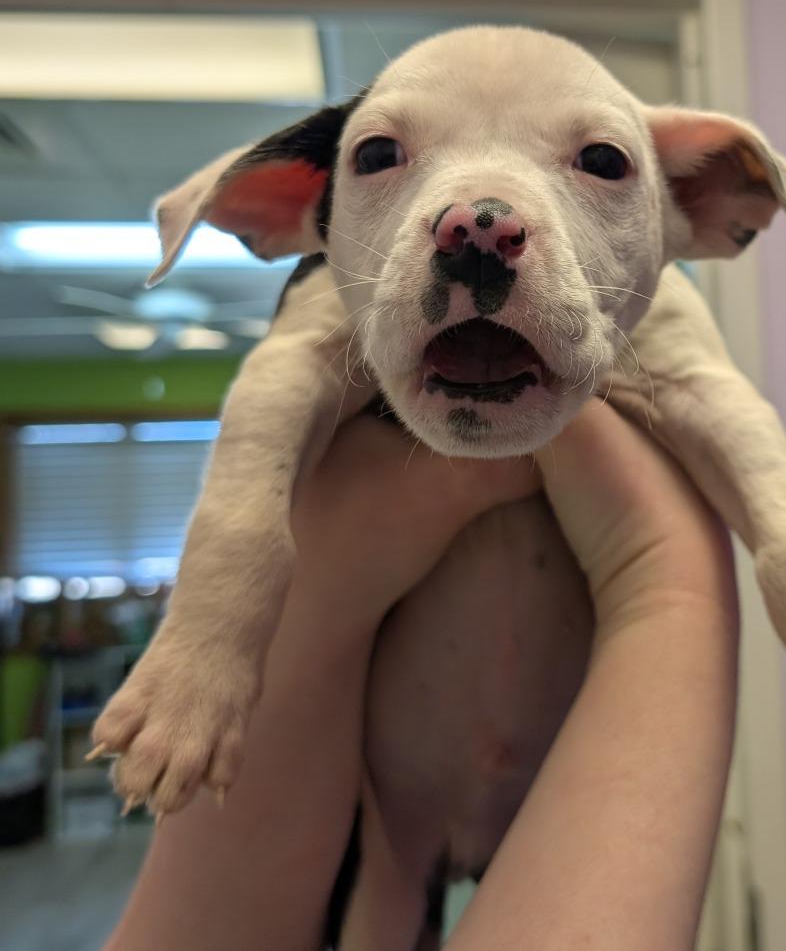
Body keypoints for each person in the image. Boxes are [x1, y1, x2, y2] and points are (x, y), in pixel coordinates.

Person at [104, 400, 739, 951]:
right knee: (680, 578)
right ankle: (673, 593)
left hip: (424, 771)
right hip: (396, 811)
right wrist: (675, 594)